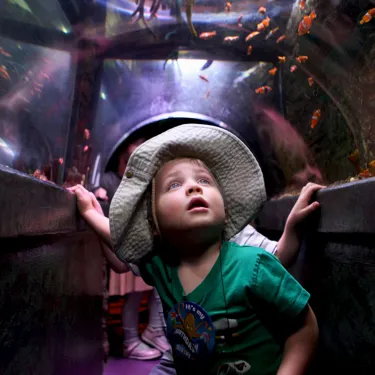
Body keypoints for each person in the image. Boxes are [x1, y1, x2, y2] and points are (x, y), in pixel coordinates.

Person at [69, 124, 320, 374]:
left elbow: (302, 324)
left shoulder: (252, 263)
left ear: (226, 212)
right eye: (174, 185)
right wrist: (91, 212)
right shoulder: (162, 266)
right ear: (154, 224)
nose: (194, 187)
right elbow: (118, 243)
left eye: (204, 181)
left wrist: (292, 230)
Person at [94, 137, 169, 360]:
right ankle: (130, 341)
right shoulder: (109, 179)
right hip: (119, 242)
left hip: (141, 242)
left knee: (154, 285)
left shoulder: (139, 181)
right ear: (122, 158)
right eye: (132, 157)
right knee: (131, 293)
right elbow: (94, 190)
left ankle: (154, 330)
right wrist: (97, 193)